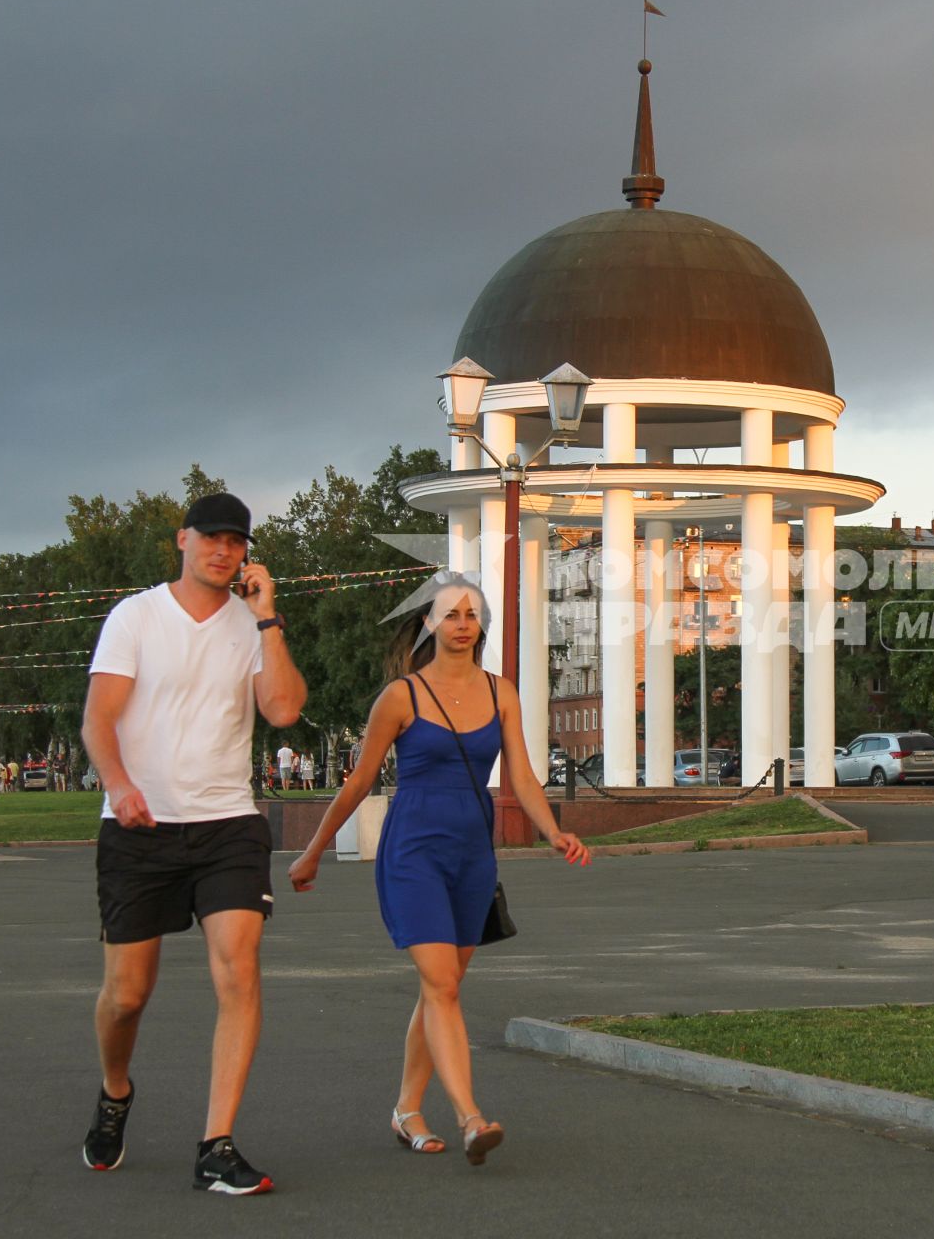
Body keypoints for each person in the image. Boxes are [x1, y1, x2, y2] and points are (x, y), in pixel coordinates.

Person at [289, 573, 590, 1165]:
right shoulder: (401, 697)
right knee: (443, 986)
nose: (461, 624)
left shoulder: (502, 692)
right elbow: (358, 782)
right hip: (414, 852)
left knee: (439, 989)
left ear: (481, 626)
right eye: (449, 614)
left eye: (471, 615)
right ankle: (471, 1117)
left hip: (472, 854)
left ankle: (406, 1109)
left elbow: (522, 776)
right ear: (428, 622)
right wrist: (314, 849)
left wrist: (552, 830)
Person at [79, 491, 307, 1194]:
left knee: (239, 967)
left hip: (226, 823)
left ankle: (217, 1144)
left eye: (236, 542)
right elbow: (98, 721)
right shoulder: (136, 617)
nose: (223, 551)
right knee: (127, 994)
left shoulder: (251, 625)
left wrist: (267, 618)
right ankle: (116, 1090)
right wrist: (118, 785)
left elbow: (284, 709)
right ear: (182, 540)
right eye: (211, 538)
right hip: (138, 828)